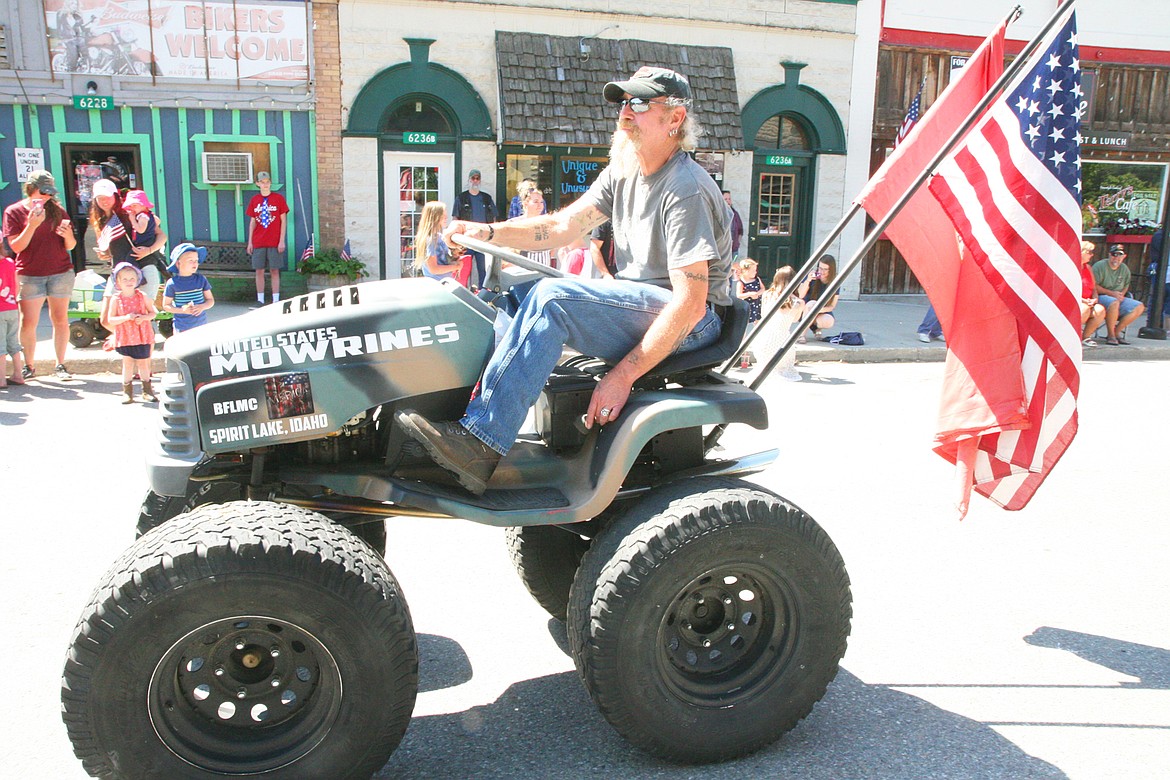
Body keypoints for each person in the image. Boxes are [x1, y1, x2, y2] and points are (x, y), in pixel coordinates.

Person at [397, 66, 731, 495]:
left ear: (675, 119)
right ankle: (463, 419)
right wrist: (489, 233)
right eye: (623, 103)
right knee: (509, 299)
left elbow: (691, 304)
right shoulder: (624, 172)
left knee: (553, 299)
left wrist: (622, 376)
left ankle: (481, 442)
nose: (626, 113)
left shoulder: (684, 187)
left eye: (641, 104)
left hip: (688, 318)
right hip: (645, 303)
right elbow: (561, 226)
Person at [3, 170, 77, 380]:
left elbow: (70, 246)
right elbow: (16, 246)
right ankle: (29, 365)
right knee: (29, 322)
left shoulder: (57, 210)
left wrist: (69, 235)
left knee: (60, 319)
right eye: (42, 191)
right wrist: (32, 225)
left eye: (49, 192)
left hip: (60, 271)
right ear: (30, 189)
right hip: (29, 273)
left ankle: (60, 364)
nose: (46, 197)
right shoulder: (14, 212)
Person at [104, 262, 157, 403]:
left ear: (137, 280)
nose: (129, 282)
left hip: (142, 336)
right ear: (118, 282)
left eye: (132, 279)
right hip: (126, 337)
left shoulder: (142, 296)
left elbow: (153, 313)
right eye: (125, 279)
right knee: (127, 363)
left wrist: (143, 318)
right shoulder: (116, 299)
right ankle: (127, 392)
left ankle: (147, 391)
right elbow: (111, 319)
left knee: (143, 363)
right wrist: (127, 318)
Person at [245, 171, 288, 305]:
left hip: (274, 241)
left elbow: (283, 221)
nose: (265, 185)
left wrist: (281, 240)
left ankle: (276, 300)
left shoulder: (278, 198)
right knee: (259, 270)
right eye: (262, 182)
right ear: (257, 184)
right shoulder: (255, 200)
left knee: (275, 270)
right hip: (259, 241)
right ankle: (260, 299)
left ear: (270, 183)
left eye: (267, 182)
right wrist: (250, 242)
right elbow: (253, 222)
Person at [1092, 243, 1145, 345]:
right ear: (1109, 255)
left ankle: (1117, 332)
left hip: (1117, 297)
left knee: (1139, 306)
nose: (1116, 258)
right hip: (1101, 296)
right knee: (1114, 302)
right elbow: (1094, 286)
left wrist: (1121, 296)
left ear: (1124, 256)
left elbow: (1125, 285)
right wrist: (1112, 294)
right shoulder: (1099, 266)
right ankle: (1111, 335)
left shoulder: (1124, 269)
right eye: (1113, 254)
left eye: (1119, 255)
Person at [757, 265, 803, 382]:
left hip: (763, 340)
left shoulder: (766, 295)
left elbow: (763, 315)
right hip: (781, 340)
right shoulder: (798, 302)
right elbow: (795, 320)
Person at [120, 189, 168, 300]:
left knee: (130, 258)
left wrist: (132, 220)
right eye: (130, 206)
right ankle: (163, 269)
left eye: (135, 205)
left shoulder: (142, 216)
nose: (132, 209)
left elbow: (142, 230)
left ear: (143, 205)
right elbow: (157, 221)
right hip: (145, 244)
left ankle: (139, 277)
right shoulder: (148, 215)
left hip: (145, 244)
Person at [453, 170, 498, 288]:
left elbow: (493, 218)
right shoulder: (461, 198)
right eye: (473, 178)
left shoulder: (487, 198)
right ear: (469, 180)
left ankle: (483, 293)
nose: (475, 181)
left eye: (477, 178)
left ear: (480, 180)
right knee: (464, 268)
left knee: (483, 269)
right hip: (466, 239)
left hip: (482, 240)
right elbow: (455, 218)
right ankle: (462, 291)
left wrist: (492, 238)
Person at [162, 243, 215, 333]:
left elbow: (210, 300)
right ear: (178, 263)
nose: (195, 263)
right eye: (190, 260)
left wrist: (202, 306)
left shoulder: (201, 279)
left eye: (196, 260)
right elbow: (166, 305)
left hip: (201, 325)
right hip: (182, 326)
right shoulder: (172, 283)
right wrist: (182, 310)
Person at [412, 202, 465, 281]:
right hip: (437, 283)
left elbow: (442, 262)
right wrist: (456, 267)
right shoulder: (430, 240)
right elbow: (434, 269)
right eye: (443, 215)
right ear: (435, 217)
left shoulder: (438, 236)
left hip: (445, 281)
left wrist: (454, 262)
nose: (446, 217)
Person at [797, 254, 839, 341]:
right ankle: (801, 334)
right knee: (812, 304)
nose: (821, 271)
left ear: (831, 270)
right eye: (820, 268)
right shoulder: (813, 276)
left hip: (820, 311)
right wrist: (808, 280)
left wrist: (819, 310)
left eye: (825, 269)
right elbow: (800, 295)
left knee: (829, 322)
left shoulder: (835, 282)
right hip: (805, 310)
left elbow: (832, 306)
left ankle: (814, 326)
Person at [0, 249, 25, 388]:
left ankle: (1, 379)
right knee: (13, 343)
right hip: (12, 307)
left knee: (0, 346)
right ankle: (18, 375)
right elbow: (16, 286)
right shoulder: (10, 262)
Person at [512, 188, 553, 267]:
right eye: (535, 202)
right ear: (525, 203)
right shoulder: (515, 224)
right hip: (522, 272)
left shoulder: (547, 224)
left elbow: (551, 250)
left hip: (544, 272)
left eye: (541, 202)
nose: (540, 205)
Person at [1077, 240, 1107, 347]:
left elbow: (1094, 288)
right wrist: (1083, 300)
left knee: (1100, 310)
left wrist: (1095, 298)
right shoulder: (1072, 268)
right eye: (1089, 252)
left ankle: (1085, 337)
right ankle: (1074, 336)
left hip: (1089, 301)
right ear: (1081, 252)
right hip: (1075, 301)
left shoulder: (1088, 268)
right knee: (1084, 309)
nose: (1092, 255)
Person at [735, 258, 763, 366]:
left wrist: (758, 293)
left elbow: (763, 289)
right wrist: (750, 294)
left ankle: (759, 338)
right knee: (745, 324)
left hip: (756, 304)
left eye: (755, 270)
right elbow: (739, 295)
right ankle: (743, 341)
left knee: (757, 321)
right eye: (753, 271)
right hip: (747, 305)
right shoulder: (741, 282)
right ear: (745, 271)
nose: (755, 272)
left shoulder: (757, 279)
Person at [723, 191, 744, 260]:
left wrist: (737, 242)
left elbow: (740, 230)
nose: (728, 201)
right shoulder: (718, 215)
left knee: (733, 268)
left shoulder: (735, 214)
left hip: (734, 249)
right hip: (722, 250)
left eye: (729, 199)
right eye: (725, 199)